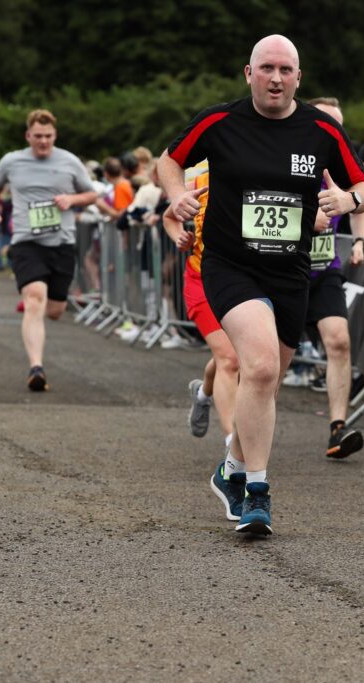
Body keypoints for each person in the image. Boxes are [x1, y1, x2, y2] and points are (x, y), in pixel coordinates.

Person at [157, 34, 364, 535]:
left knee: (266, 383)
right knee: (257, 366)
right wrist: (176, 196)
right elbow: (170, 160)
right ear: (248, 73)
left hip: (291, 270)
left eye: (286, 70)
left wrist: (349, 202)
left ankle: (229, 469)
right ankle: (257, 491)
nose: (276, 78)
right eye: (267, 68)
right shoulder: (219, 121)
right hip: (230, 265)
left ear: (299, 78)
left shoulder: (320, 129)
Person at [0, 109, 98, 391]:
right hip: (25, 242)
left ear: (55, 136)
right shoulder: (12, 161)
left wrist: (72, 199)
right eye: (38, 137)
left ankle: (42, 318)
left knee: (55, 310)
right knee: (35, 299)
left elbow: (92, 193)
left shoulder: (69, 161)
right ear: (28, 136)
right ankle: (36, 367)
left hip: (61, 243)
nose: (43, 142)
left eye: (48, 136)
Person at [161, 163, 242, 496]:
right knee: (230, 358)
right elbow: (169, 215)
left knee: (229, 358)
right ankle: (232, 444)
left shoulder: (258, 167)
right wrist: (178, 234)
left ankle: (203, 393)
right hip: (201, 279)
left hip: (242, 282)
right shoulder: (200, 175)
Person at [305, 97, 364, 459]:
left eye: (340, 124)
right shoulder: (290, 158)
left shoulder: (343, 162)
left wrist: (359, 239)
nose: (337, 131)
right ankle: (210, 393)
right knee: (241, 360)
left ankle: (338, 429)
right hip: (280, 273)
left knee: (339, 342)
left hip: (324, 270)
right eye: (331, 122)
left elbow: (362, 199)